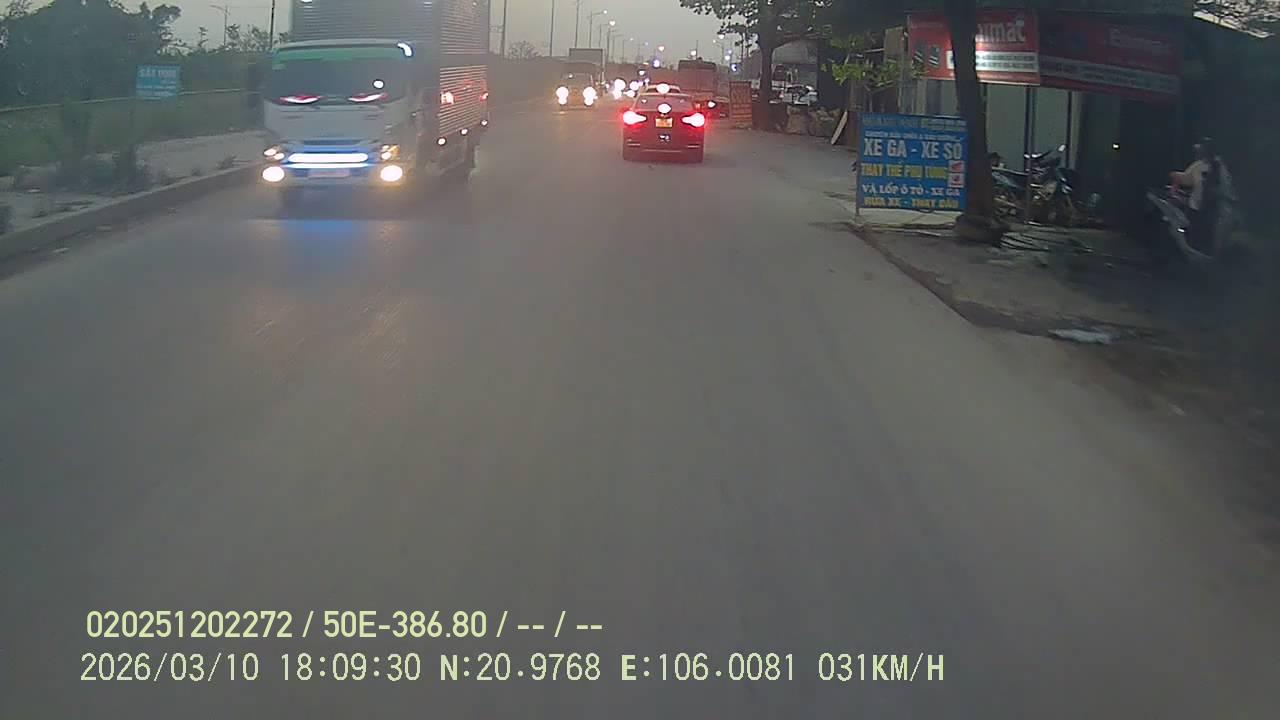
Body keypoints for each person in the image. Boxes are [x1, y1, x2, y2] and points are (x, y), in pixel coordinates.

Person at [1170, 137, 1234, 255]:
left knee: (1205, 238)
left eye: (1204, 148)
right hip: (1195, 207)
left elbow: (1225, 189)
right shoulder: (1199, 165)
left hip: (1211, 210)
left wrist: (1215, 192)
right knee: (1191, 234)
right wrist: (1176, 176)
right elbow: (1187, 178)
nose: (1200, 150)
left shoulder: (1220, 168)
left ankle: (1204, 258)